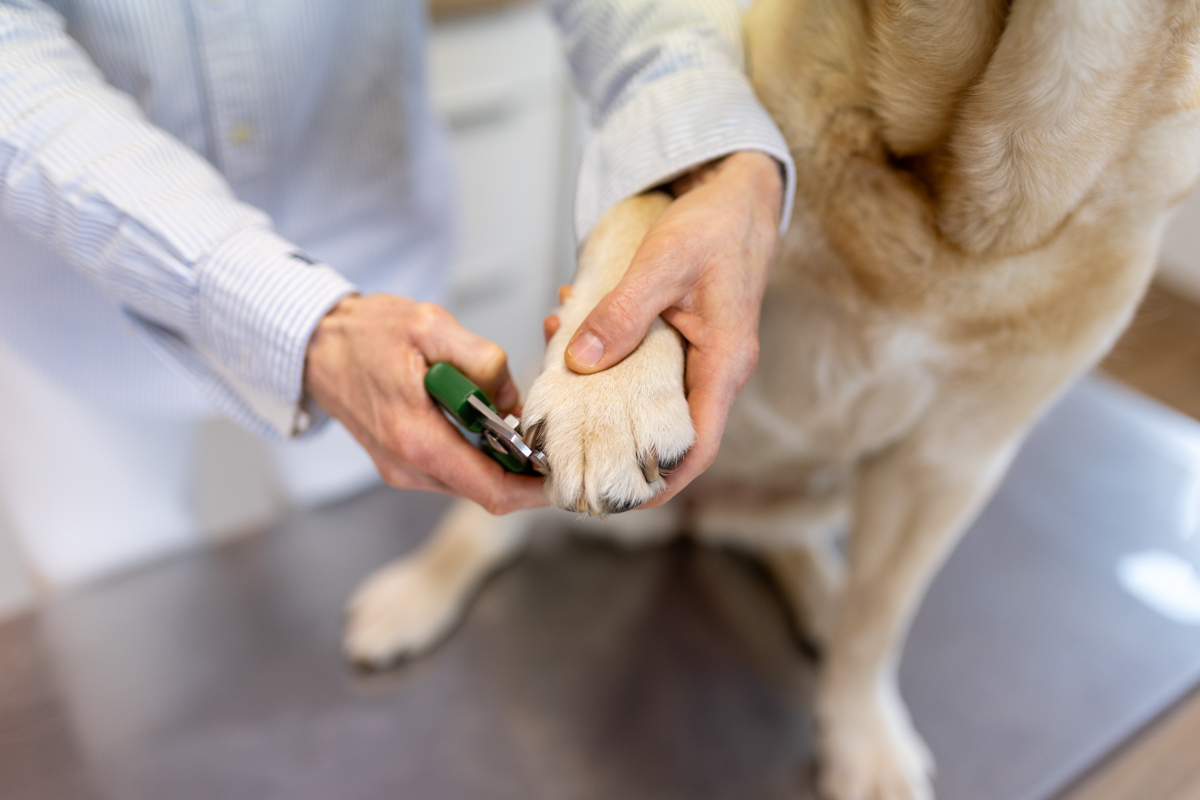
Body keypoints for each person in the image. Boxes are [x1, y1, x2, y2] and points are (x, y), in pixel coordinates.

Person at [0, 0, 793, 582]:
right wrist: (305, 326)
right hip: (70, 309)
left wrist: (724, 152)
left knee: (361, 579)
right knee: (119, 628)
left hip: (373, 255)